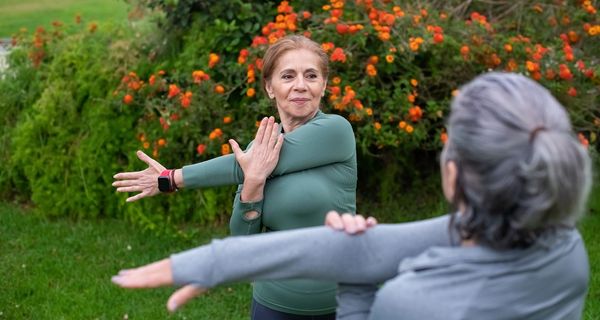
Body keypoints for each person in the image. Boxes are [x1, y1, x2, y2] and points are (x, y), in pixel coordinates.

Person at [112, 72, 592, 319]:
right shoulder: (563, 247)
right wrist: (225, 261)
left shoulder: (413, 302)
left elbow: (363, 271)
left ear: (453, 174)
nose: (300, 85)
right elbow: (383, 246)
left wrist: (356, 282)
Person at [112, 35, 357, 319]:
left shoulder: (336, 132)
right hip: (272, 305)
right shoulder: (259, 148)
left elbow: (245, 165)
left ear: (323, 85)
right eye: (288, 76)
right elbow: (243, 240)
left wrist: (172, 178)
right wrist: (252, 184)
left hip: (338, 305)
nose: (300, 85)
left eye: (311, 75)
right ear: (270, 87)